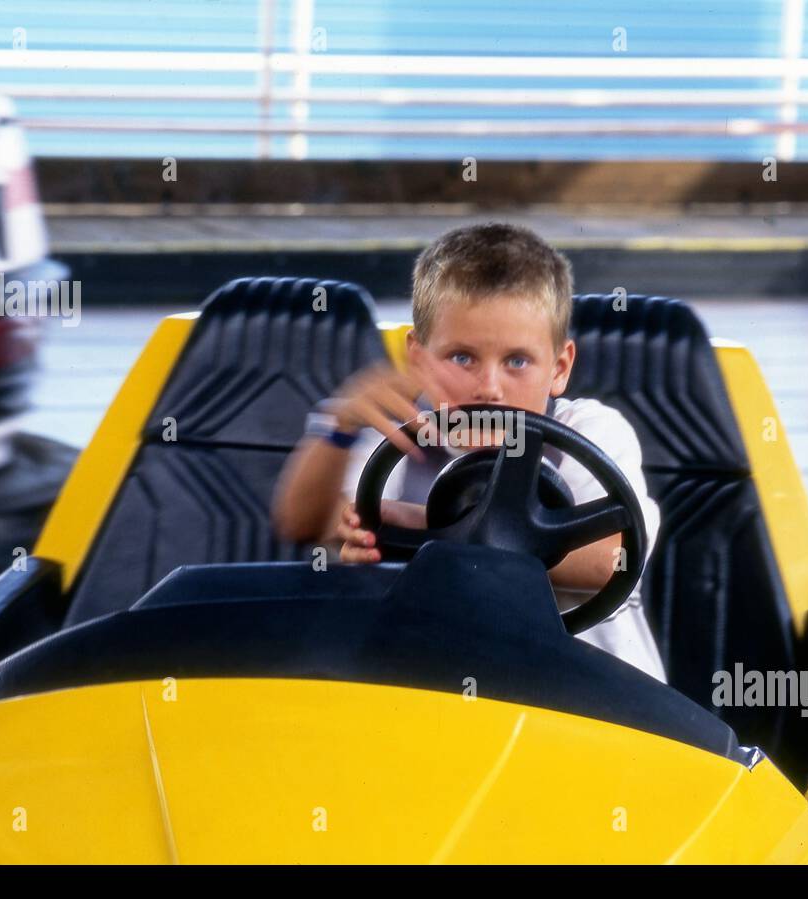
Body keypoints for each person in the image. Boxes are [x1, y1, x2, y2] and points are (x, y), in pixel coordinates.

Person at [271, 222, 666, 682]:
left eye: (517, 361)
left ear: (559, 369)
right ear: (417, 359)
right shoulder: (396, 434)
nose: (489, 388)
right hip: (438, 693)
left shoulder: (590, 431)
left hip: (600, 706)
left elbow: (608, 560)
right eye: (462, 358)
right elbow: (305, 523)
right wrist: (339, 430)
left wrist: (417, 526)